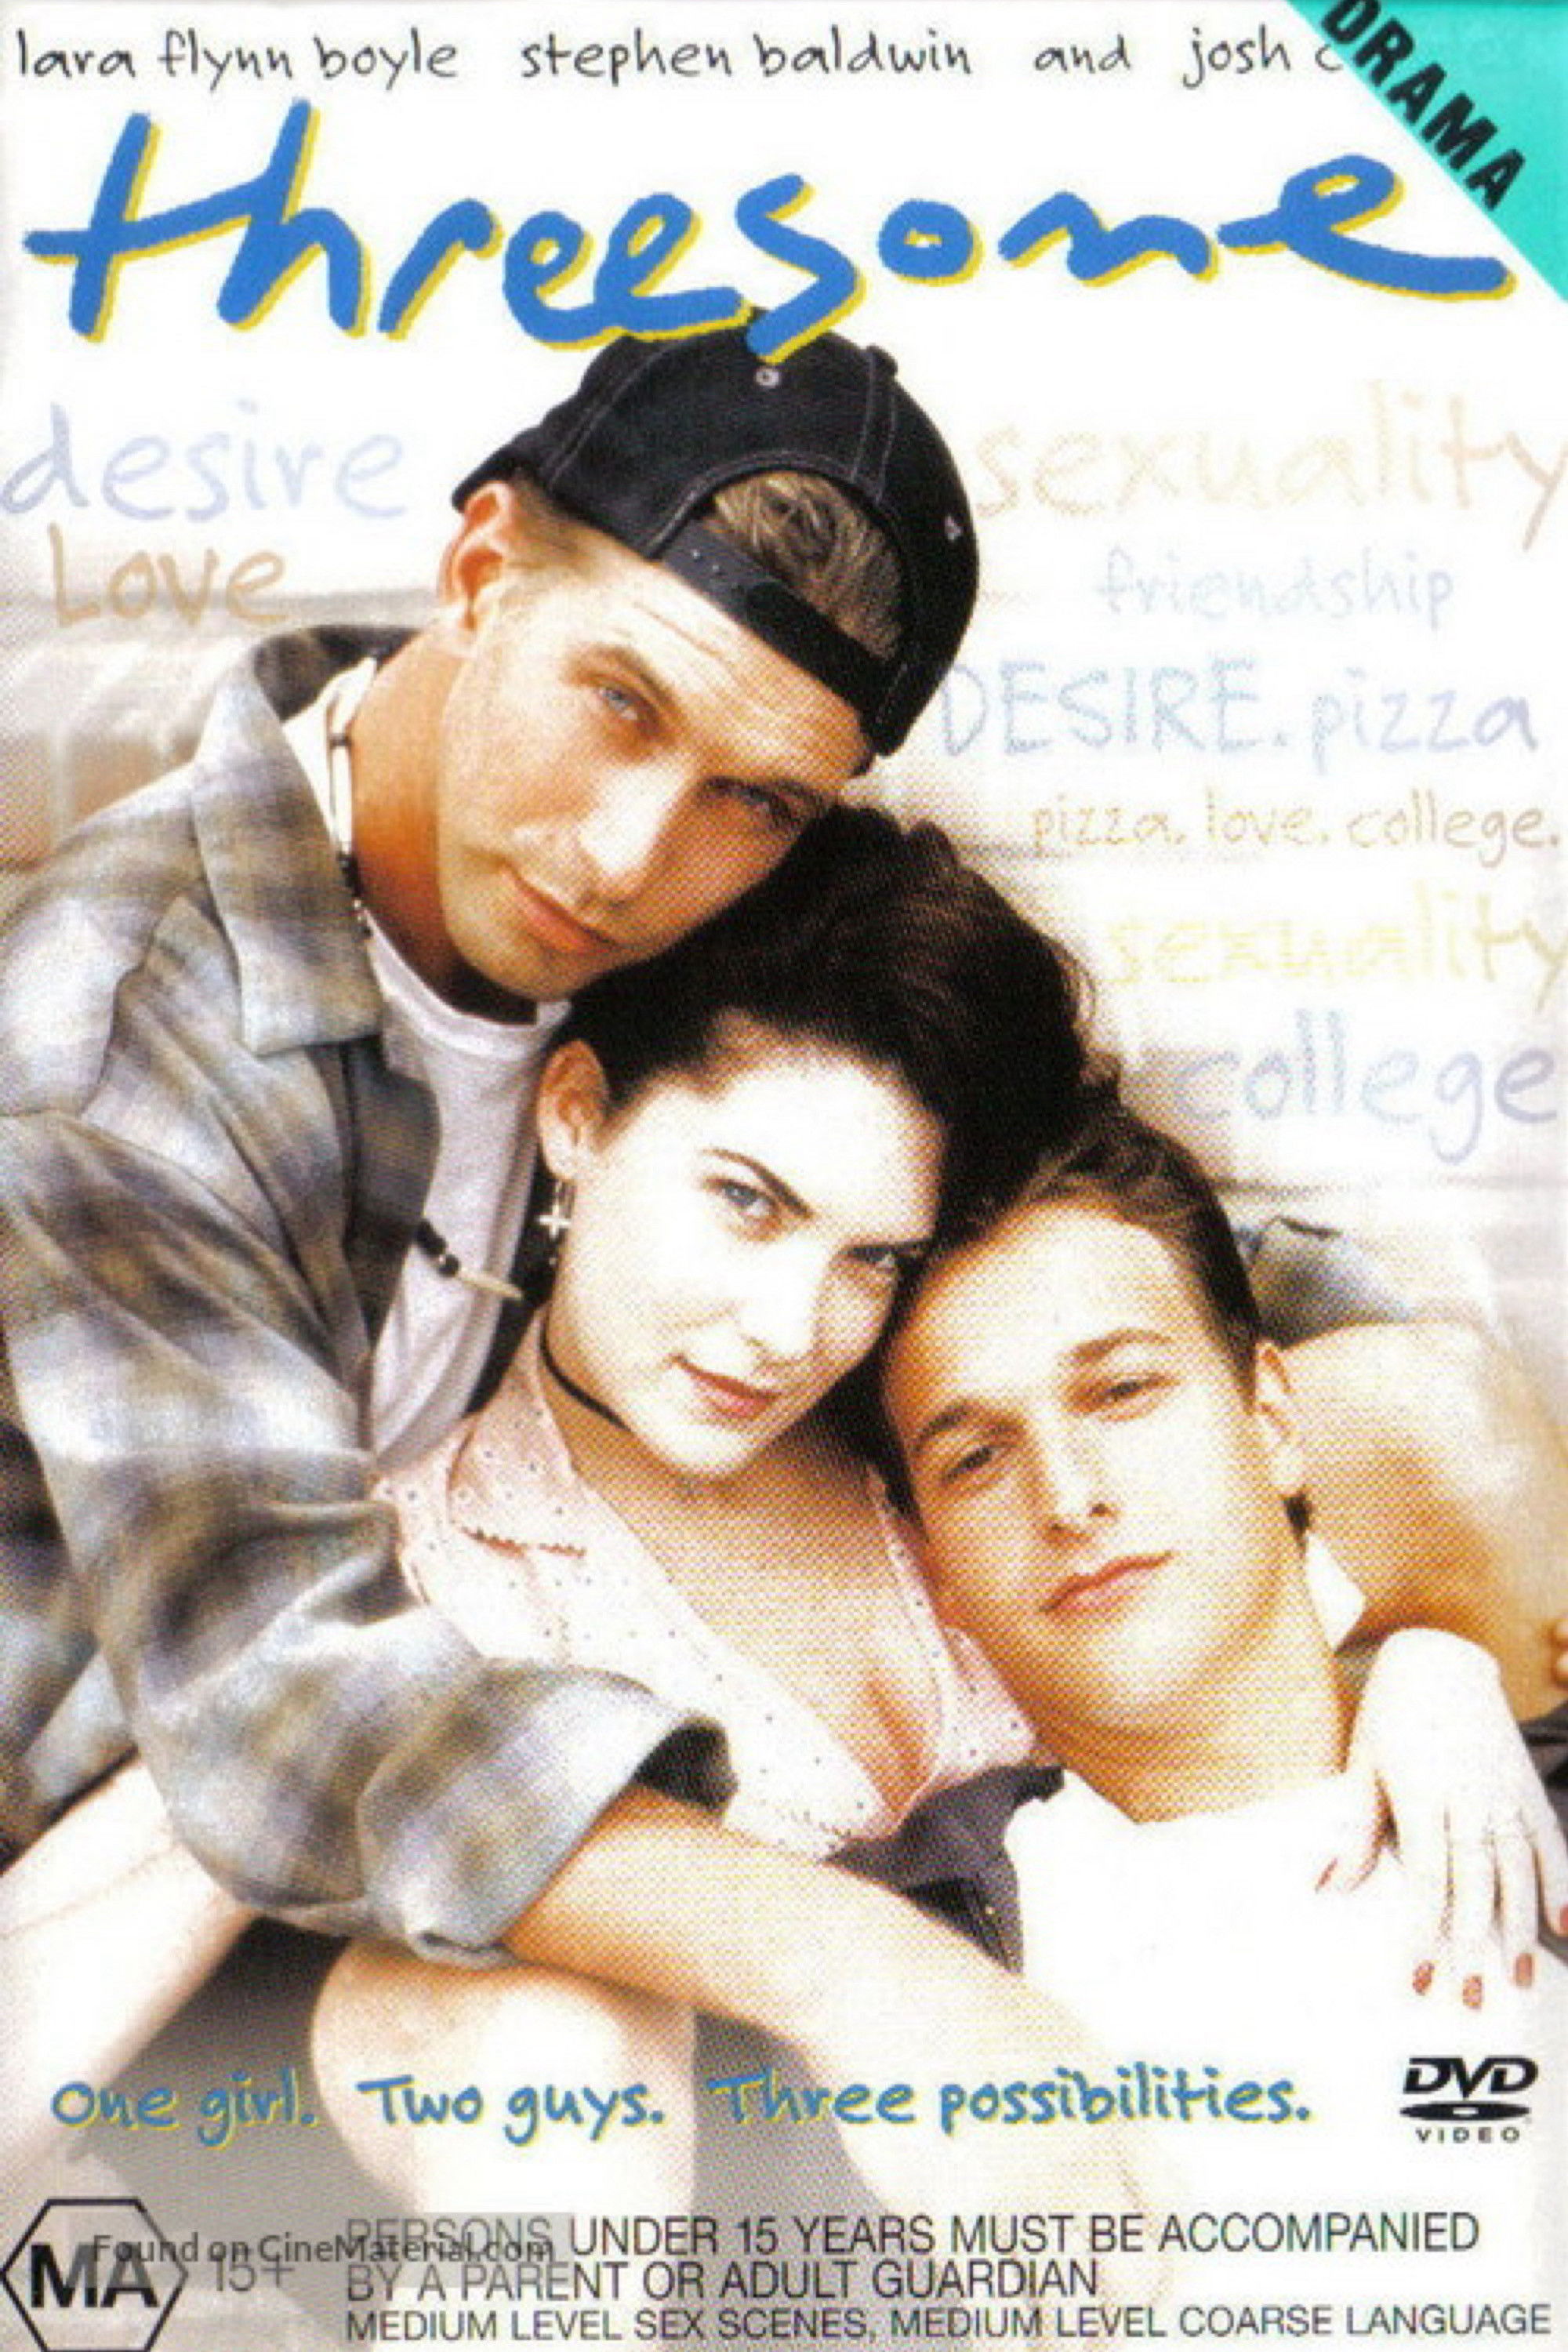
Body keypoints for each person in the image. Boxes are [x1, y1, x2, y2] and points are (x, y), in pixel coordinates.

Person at [309, 862, 1559, 2241]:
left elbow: (1326, 1554)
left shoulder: (942, 1390)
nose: (788, 1328)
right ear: (576, 1119)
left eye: (872, 1255)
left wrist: (1438, 1676)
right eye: (748, 1202)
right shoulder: (411, 1588)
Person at [881, 1104, 1568, 2314]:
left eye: (1122, 1390)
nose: (1069, 1497)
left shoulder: (1525, 1786)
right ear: (936, 1570)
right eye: (976, 1459)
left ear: (1273, 1422)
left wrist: (1438, 1664)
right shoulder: (900, 1948)